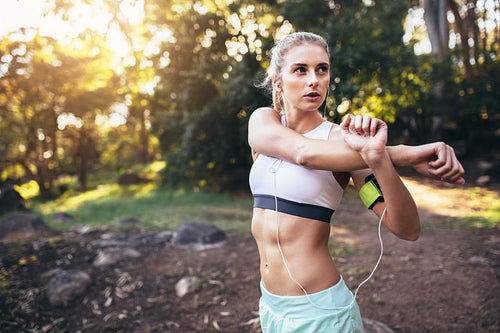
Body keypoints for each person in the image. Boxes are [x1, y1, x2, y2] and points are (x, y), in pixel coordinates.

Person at [248, 32, 464, 332]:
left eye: (322, 69)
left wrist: (378, 157)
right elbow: (303, 153)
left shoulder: (347, 144)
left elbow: (407, 229)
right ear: (278, 81)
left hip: (321, 313)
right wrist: (407, 154)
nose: (314, 80)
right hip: (270, 305)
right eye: (301, 69)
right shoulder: (263, 121)